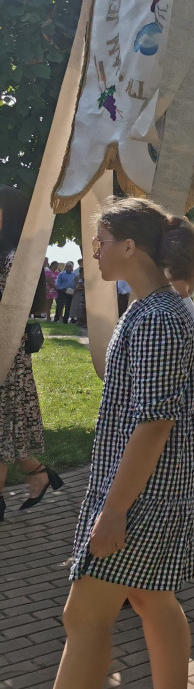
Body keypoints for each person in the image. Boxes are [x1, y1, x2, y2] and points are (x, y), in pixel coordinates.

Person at [50, 197, 194, 689]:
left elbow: (155, 424)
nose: (93, 251)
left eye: (100, 242)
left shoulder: (158, 317)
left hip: (144, 496)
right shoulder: (150, 309)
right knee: (153, 599)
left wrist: (113, 510)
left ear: (130, 246)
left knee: (84, 615)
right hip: (150, 489)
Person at [0, 187, 64, 522]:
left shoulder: (14, 256)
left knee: (2, 428)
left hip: (6, 353)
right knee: (4, 429)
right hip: (5, 350)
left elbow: (13, 310)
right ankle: (39, 474)